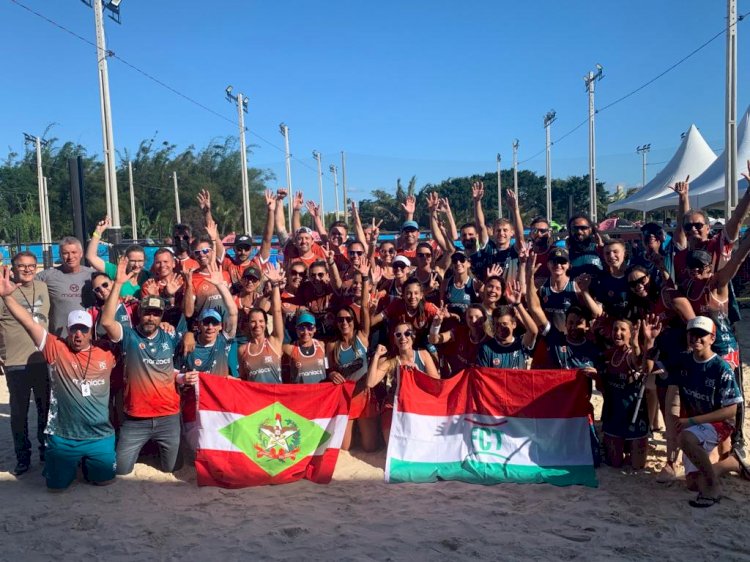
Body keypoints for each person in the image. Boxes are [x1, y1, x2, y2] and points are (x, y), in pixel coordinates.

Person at [0, 267, 117, 490]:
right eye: (74, 329)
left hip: (99, 435)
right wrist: (7, 297)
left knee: (104, 480)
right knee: (56, 486)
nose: (78, 335)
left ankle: (87, 460)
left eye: (83, 329)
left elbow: (119, 325)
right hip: (64, 437)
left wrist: (118, 284)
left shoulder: (107, 352)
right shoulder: (56, 348)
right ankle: (68, 460)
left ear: (92, 331)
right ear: (68, 330)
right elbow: (29, 323)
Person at [100, 257, 190, 476]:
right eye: (147, 312)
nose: (151, 317)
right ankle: (145, 447)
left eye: (156, 314)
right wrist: (118, 284)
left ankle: (154, 449)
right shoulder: (129, 336)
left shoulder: (170, 335)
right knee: (121, 470)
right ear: (139, 313)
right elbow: (107, 322)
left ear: (161, 316)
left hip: (168, 417)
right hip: (135, 419)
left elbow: (188, 319)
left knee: (172, 467)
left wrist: (189, 334)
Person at [661, 317, 745, 507]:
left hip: (719, 423)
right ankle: (731, 463)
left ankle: (713, 487)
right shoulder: (684, 362)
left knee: (685, 438)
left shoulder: (721, 368)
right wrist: (648, 343)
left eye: (702, 334)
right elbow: (649, 370)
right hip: (696, 422)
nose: (696, 338)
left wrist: (692, 421)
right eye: (693, 333)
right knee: (692, 484)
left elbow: (731, 410)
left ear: (712, 338)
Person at [0, 253, 50, 475]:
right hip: (15, 361)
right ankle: (23, 457)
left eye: (31, 266)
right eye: (22, 266)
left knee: (45, 410)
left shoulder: (43, 287)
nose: (28, 270)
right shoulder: (3, 291)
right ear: (13, 268)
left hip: (42, 359)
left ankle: (45, 453)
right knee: (19, 413)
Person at [327, 265, 378, 451]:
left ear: (353, 321)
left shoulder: (362, 336)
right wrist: (332, 373)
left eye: (348, 319)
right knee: (344, 448)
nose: (344, 323)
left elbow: (364, 306)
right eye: (340, 320)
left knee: (370, 447)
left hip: (362, 394)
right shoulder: (332, 346)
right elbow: (329, 369)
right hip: (345, 397)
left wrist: (365, 279)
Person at [366, 324, 440, 444]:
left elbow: (436, 383)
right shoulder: (391, 361)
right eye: (398, 335)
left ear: (413, 336)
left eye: (407, 333)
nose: (403, 338)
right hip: (395, 405)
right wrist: (376, 356)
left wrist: (418, 374)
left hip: (418, 404)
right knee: (392, 445)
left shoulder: (423, 354)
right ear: (394, 339)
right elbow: (370, 382)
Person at [597, 318, 648, 470]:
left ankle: (630, 445)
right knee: (615, 463)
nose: (617, 333)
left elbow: (638, 362)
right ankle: (618, 444)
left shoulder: (632, 353)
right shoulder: (608, 354)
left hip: (634, 415)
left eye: (622, 330)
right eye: (615, 329)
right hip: (614, 414)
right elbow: (602, 386)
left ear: (631, 333)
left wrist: (636, 344)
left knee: (637, 465)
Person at [178, 260, 238, 377]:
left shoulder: (224, 340)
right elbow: (176, 372)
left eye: (215, 323)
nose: (210, 327)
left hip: (219, 393)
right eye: (206, 323)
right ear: (199, 325)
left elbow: (233, 312)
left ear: (221, 326)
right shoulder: (189, 345)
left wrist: (220, 286)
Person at [36, 236, 95, 336]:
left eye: (74, 252)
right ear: (60, 255)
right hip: (60, 338)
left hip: (87, 339)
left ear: (81, 253)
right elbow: (23, 283)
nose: (70, 257)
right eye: (65, 253)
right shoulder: (48, 276)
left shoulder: (93, 275)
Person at [238, 265, 285, 383]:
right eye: (253, 322)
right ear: (248, 324)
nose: (257, 325)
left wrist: (275, 286)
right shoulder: (242, 350)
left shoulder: (274, 341)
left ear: (266, 323)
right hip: (255, 400)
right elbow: (243, 381)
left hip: (275, 399)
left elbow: (277, 311)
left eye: (261, 321)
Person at [477, 283, 538, 370]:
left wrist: (518, 304)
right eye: (497, 324)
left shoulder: (521, 343)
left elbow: (533, 331)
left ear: (514, 324)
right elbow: (484, 377)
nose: (501, 328)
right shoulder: (487, 348)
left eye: (505, 324)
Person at [86, 216, 150, 297]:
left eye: (140, 261)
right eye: (133, 261)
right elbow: (91, 257)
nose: (136, 265)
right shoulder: (116, 271)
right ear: (125, 260)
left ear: (144, 261)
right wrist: (98, 232)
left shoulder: (148, 276)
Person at [429, 303, 489, 377]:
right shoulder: (460, 331)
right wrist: (436, 325)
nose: (473, 320)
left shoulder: (490, 341)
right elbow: (434, 340)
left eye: (477, 317)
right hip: (458, 380)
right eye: (470, 317)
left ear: (485, 318)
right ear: (466, 319)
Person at [282, 310, 328, 384]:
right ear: (296, 329)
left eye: (310, 328)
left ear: (315, 329)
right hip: (301, 394)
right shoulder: (289, 349)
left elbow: (330, 368)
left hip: (320, 393)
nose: (306, 332)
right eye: (301, 328)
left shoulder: (322, 345)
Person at [565, 214, 603, 278]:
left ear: (590, 229)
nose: (579, 231)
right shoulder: (565, 249)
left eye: (583, 228)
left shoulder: (600, 246)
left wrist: (601, 248)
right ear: (570, 230)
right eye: (575, 228)